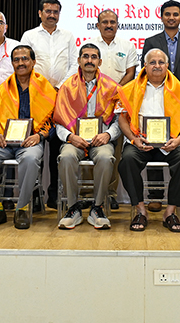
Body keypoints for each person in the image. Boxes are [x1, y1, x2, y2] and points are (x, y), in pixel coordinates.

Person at [0, 45, 56, 229]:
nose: (21, 63)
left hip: (30, 141)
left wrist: (40, 136)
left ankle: (22, 208)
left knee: (31, 159)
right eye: (16, 59)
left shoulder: (45, 89)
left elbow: (55, 120)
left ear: (33, 62)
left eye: (25, 59)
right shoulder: (4, 88)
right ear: (12, 63)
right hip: (3, 141)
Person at [118, 49, 180, 233]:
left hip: (170, 142)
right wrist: (133, 139)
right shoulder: (131, 88)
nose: (157, 66)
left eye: (161, 62)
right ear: (145, 66)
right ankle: (141, 210)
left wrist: (179, 140)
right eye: (152, 62)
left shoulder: (178, 89)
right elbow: (121, 118)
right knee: (127, 160)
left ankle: (170, 212)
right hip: (140, 141)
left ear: (167, 66)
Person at [141, 0, 180, 213]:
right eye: (168, 14)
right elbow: (146, 69)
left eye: (175, 14)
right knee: (153, 142)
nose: (172, 18)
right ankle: (155, 196)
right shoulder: (151, 42)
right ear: (161, 17)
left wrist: (176, 91)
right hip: (155, 100)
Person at [54, 43, 123, 230]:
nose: (89, 60)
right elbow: (58, 121)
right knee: (66, 156)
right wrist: (70, 137)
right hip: (75, 140)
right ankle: (73, 208)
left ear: (100, 62)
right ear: (79, 60)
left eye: (94, 57)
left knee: (106, 157)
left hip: (101, 140)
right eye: (86, 56)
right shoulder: (67, 87)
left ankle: (97, 207)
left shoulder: (111, 87)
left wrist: (108, 134)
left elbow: (120, 120)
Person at [21, 0, 78, 209]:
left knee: (56, 148)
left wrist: (60, 87)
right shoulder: (29, 36)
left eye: (55, 12)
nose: (52, 15)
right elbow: (26, 63)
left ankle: (54, 194)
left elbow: (74, 64)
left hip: (61, 98)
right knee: (35, 147)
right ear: (40, 13)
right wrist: (43, 88)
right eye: (48, 11)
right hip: (36, 98)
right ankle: (35, 195)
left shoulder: (68, 36)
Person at [90, 9, 138, 209]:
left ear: (118, 25)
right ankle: (89, 194)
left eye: (112, 22)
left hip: (118, 101)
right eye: (105, 22)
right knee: (90, 142)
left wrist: (115, 92)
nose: (109, 25)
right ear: (98, 25)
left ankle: (109, 193)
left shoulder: (127, 46)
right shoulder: (90, 45)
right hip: (93, 101)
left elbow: (131, 73)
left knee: (114, 149)